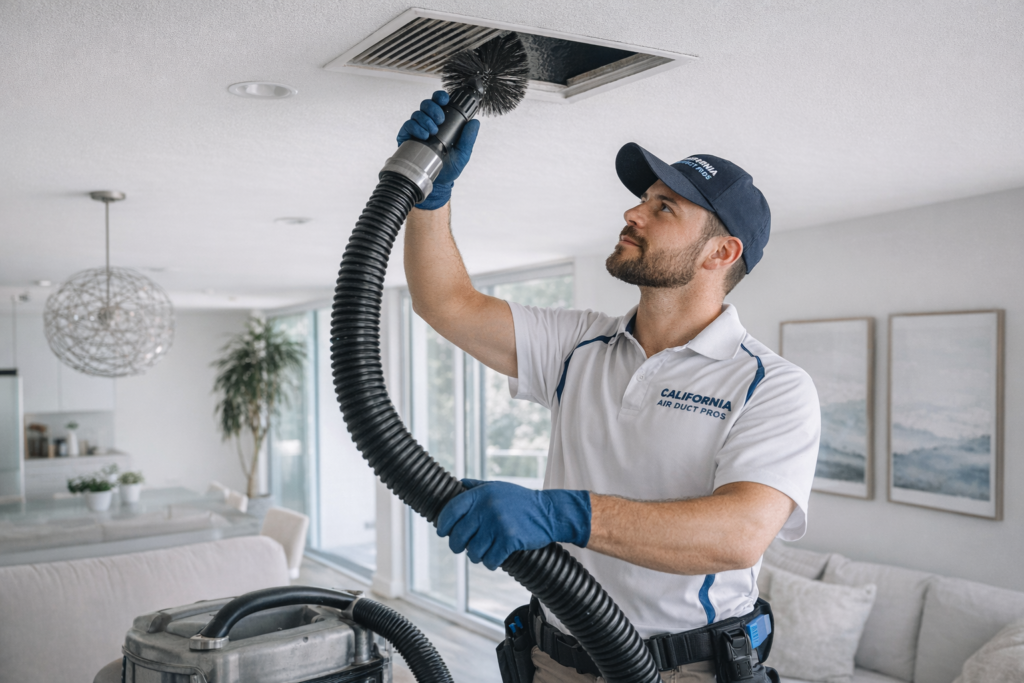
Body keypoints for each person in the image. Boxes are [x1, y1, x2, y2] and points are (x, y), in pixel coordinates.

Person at [399, 91, 820, 683]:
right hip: (555, 660)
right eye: (643, 200)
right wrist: (428, 195)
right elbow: (445, 303)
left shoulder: (770, 385)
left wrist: (558, 513)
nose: (633, 214)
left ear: (721, 253)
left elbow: (739, 535)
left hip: (680, 670)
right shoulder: (579, 346)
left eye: (664, 208)